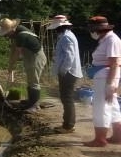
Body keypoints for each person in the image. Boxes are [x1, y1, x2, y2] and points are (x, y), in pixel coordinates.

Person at [84, 16, 121, 146]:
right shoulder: (106, 39)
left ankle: (100, 139)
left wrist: (110, 83)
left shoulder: (111, 40)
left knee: (101, 106)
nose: (91, 32)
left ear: (97, 29)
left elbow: (114, 63)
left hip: (106, 76)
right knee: (112, 104)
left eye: (92, 29)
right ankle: (118, 136)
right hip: (105, 75)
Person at [0, 18, 47, 111]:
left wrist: (12, 65)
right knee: (30, 80)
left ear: (11, 30)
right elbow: (13, 48)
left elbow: (17, 53)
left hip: (36, 57)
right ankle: (31, 101)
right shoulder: (17, 31)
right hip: (30, 55)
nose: (6, 36)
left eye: (6, 34)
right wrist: (10, 63)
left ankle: (34, 105)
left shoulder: (21, 35)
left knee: (33, 81)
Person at [48, 15, 83, 134]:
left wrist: (63, 70)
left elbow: (70, 56)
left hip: (68, 72)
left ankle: (68, 126)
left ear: (59, 27)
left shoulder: (66, 37)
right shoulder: (66, 35)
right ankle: (67, 124)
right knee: (66, 98)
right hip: (68, 71)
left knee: (67, 98)